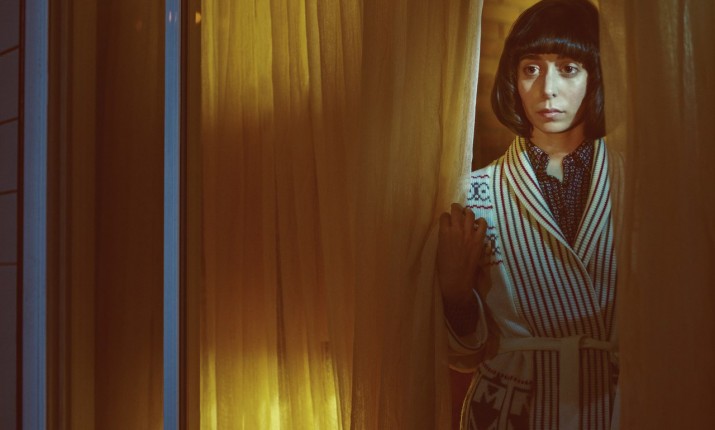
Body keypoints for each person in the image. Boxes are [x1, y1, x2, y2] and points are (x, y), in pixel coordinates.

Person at [437, 0, 623, 429]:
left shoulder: (644, 189)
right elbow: (462, 356)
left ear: (597, 76)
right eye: (531, 69)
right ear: (513, 80)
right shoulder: (473, 195)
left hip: (618, 407)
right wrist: (455, 294)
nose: (547, 89)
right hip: (510, 412)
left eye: (569, 68)